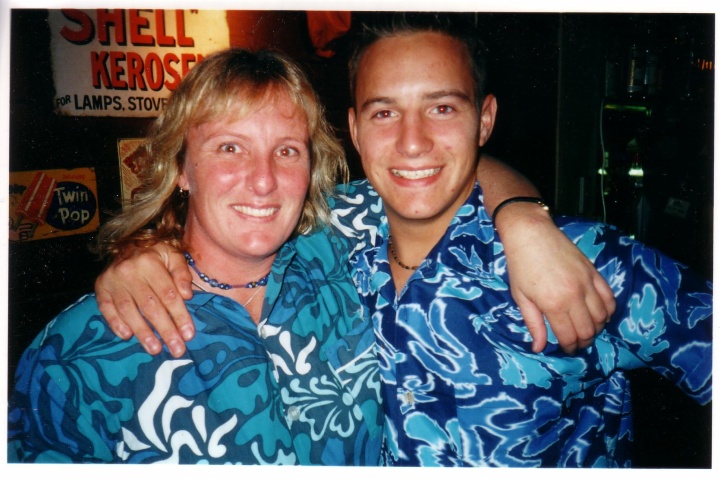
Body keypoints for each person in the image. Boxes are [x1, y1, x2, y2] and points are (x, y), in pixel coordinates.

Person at [330, 14, 710, 466]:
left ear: (484, 120)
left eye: (442, 108)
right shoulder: (331, 246)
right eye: (384, 113)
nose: (412, 142)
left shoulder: (579, 257)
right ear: (355, 130)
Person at [8, 48, 386, 464]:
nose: (263, 181)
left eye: (287, 151)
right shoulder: (81, 349)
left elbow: (432, 182)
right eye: (230, 147)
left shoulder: (348, 252)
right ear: (180, 169)